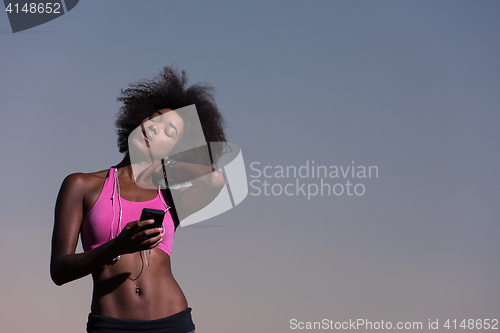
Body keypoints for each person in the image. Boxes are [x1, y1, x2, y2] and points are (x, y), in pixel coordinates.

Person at [50, 67, 227, 333]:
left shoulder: (169, 197)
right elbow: (59, 270)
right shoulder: (81, 185)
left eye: (170, 133)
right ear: (137, 119)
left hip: (173, 322)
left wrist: (166, 162)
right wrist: (116, 247)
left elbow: (214, 179)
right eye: (154, 119)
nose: (156, 130)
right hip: (110, 325)